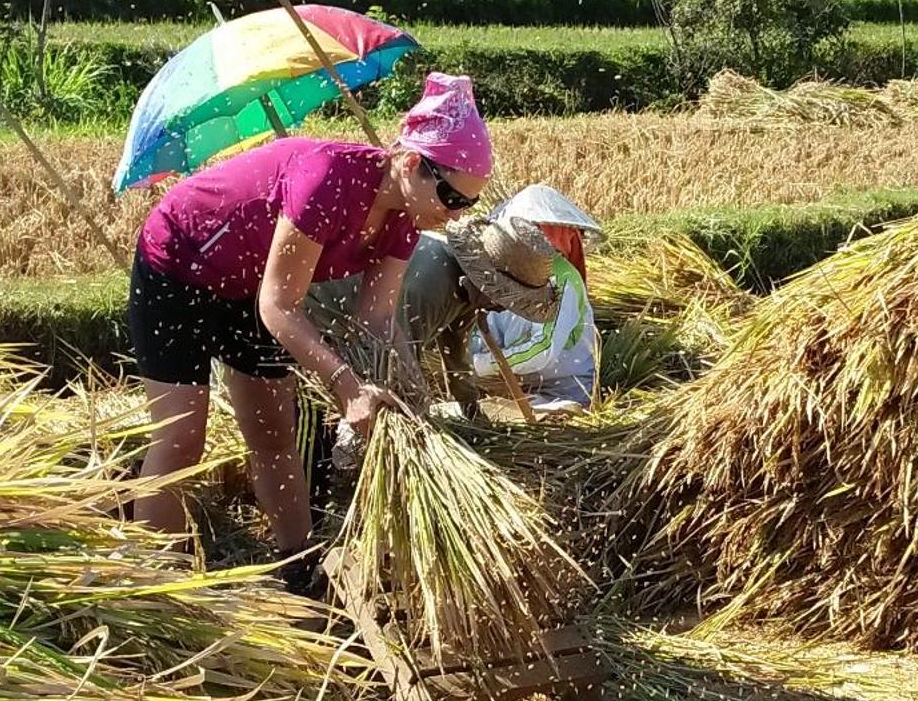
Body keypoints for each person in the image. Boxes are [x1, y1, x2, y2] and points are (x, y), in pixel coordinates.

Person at [126, 72, 495, 580]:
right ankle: (153, 584)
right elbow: (279, 306)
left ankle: (296, 565)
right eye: (453, 198)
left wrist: (411, 398)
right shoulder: (330, 180)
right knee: (182, 439)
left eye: (469, 204)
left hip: (246, 285)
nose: (456, 215)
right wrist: (347, 389)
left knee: (274, 432)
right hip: (177, 265)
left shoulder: (406, 219)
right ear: (412, 164)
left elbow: (378, 318)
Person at [310, 214, 560, 418]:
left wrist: (473, 414)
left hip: (357, 331)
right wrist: (421, 419)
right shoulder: (430, 286)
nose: (506, 309)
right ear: (489, 285)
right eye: (508, 300)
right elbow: (392, 361)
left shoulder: (468, 292)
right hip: (313, 320)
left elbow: (456, 357)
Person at [472, 185, 603, 414]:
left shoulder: (562, 279)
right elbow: (484, 329)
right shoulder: (498, 276)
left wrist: (483, 365)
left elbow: (543, 348)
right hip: (509, 388)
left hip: (565, 393)